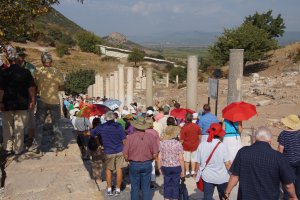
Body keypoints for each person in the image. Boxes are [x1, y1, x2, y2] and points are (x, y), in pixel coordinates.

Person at [223, 127, 298, 200]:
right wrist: (293, 196)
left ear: (255, 138)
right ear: (270, 140)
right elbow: (288, 185)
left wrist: (226, 194)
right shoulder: (278, 157)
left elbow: (234, 177)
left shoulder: (242, 152)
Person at [0, 48, 36, 155]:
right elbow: (31, 88)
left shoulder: (4, 73)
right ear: (17, 60)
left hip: (7, 104)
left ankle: (7, 148)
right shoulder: (26, 72)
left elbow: (1, 89)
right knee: (19, 128)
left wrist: (0, 102)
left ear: (9, 61)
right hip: (22, 104)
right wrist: (33, 99)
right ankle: (18, 149)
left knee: (7, 127)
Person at [29, 51, 65, 153]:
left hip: (42, 100)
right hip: (54, 101)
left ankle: (36, 146)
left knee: (39, 123)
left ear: (42, 61)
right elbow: (62, 87)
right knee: (56, 123)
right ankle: (59, 145)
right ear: (51, 61)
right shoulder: (57, 72)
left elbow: (35, 86)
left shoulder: (37, 72)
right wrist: (54, 89)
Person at [123, 116, 159, 200]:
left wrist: (128, 160)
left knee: (135, 187)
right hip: (147, 163)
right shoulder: (151, 137)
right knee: (146, 187)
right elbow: (155, 154)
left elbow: (125, 154)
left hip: (134, 164)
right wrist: (151, 159)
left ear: (135, 126)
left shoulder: (130, 138)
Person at [91, 111, 127, 196]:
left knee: (108, 170)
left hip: (108, 152)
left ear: (106, 119)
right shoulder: (119, 126)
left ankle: (109, 189)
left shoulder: (102, 127)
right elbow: (124, 140)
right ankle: (118, 189)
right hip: (119, 151)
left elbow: (92, 133)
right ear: (114, 118)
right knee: (119, 169)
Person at [195, 123, 231, 200]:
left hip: (207, 177)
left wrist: (196, 173)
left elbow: (198, 163)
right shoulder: (223, 146)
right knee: (224, 197)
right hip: (222, 177)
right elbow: (227, 164)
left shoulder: (202, 145)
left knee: (207, 197)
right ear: (220, 134)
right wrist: (232, 176)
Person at [158, 118, 185, 200]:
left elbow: (159, 157)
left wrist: (159, 167)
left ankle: (166, 198)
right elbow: (181, 158)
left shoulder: (162, 143)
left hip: (166, 166)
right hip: (176, 166)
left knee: (167, 184)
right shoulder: (178, 143)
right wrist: (183, 170)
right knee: (176, 185)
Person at [17, 50, 37, 147]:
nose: (20, 57)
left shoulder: (30, 67)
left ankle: (30, 138)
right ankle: (21, 138)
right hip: (17, 97)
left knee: (30, 118)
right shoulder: (12, 67)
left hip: (28, 96)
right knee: (19, 119)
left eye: (22, 55)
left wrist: (32, 98)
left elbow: (33, 82)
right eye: (19, 56)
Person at [278, 114, 300, 199]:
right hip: (299, 160)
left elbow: (280, 148)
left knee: (287, 181)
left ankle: (288, 197)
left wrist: (279, 161)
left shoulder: (283, 134)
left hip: (288, 162)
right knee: (298, 180)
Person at [180, 113, 201, 178]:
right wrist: (199, 143)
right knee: (193, 159)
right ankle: (193, 171)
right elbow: (199, 136)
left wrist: (179, 145)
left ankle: (187, 172)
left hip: (186, 146)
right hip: (195, 145)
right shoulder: (196, 126)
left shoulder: (184, 127)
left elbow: (182, 139)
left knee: (187, 160)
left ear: (186, 119)